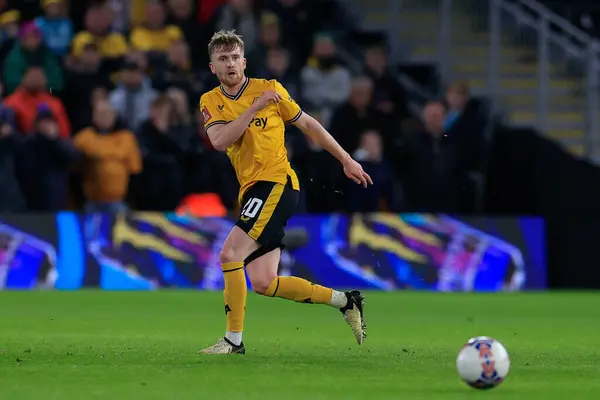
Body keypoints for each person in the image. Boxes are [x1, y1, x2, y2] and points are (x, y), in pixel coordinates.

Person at [199, 30, 373, 355]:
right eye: (223, 59)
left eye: (235, 57)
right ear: (213, 67)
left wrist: (346, 159)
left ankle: (233, 341)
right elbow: (220, 141)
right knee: (265, 282)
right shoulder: (211, 101)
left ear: (244, 61)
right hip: (252, 191)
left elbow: (309, 125)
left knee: (229, 254)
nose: (231, 63)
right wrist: (252, 110)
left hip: (277, 184)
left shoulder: (270, 89)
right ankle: (345, 301)